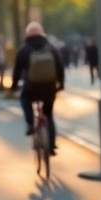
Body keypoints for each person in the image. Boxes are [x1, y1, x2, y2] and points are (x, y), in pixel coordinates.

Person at [12, 22, 64, 156]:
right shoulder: (51, 48)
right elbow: (60, 67)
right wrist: (61, 84)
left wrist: (14, 86)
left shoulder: (24, 50)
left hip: (31, 87)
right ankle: (51, 146)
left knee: (24, 98)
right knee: (48, 114)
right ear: (42, 33)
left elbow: (17, 70)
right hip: (49, 88)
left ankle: (30, 124)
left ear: (27, 34)